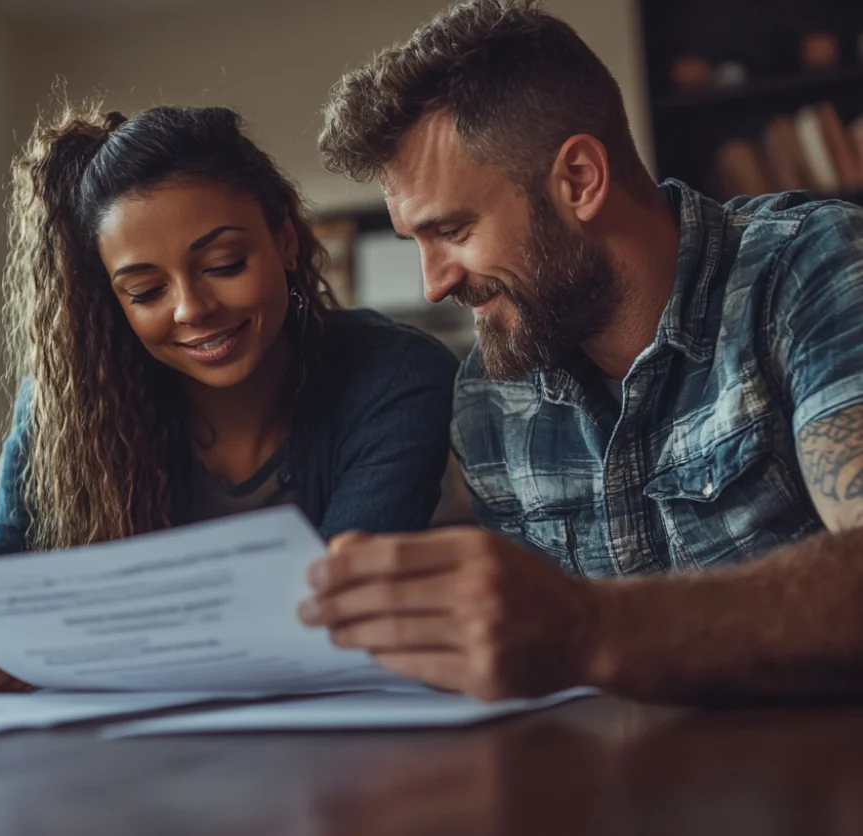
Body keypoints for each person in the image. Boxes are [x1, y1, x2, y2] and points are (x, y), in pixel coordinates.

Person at [300, 0, 863, 703]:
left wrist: (588, 628)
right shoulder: (489, 395)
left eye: (451, 229)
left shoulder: (810, 269)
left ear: (579, 180)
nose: (433, 280)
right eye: (416, 241)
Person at [0, 103, 460, 691]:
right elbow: (1, 592)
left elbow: (334, 616)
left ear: (284, 239)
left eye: (225, 264)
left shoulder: (398, 376)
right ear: (114, 302)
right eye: (147, 290)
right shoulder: (62, 405)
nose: (192, 309)